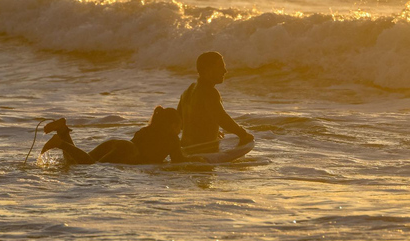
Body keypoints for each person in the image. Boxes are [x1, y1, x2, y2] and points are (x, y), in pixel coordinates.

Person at [40, 106, 187, 164]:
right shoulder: (172, 138)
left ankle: (62, 131)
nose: (180, 130)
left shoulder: (147, 130)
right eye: (179, 127)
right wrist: (199, 161)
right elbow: (178, 160)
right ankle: (60, 143)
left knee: (77, 162)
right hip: (129, 151)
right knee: (88, 165)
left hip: (119, 143)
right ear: (172, 125)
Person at [177, 52, 253, 152]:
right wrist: (243, 134)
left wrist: (207, 129)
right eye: (221, 67)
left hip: (186, 149)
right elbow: (221, 118)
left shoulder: (189, 90)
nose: (225, 71)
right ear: (208, 70)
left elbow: (180, 123)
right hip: (203, 151)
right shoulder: (209, 92)